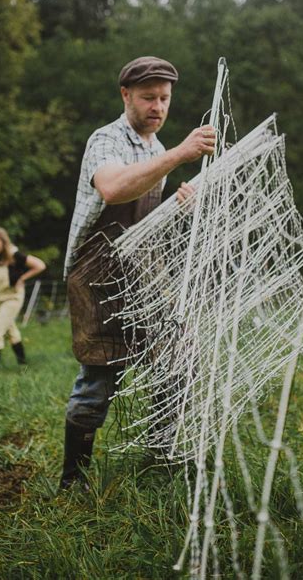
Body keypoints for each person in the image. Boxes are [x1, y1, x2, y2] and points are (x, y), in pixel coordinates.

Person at [60, 56, 215, 488]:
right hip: (98, 273)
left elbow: (143, 222)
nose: (158, 107)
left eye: (164, 98)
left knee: (179, 358)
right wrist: (183, 153)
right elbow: (113, 189)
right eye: (148, 97)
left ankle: (159, 455)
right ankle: (74, 480)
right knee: (100, 375)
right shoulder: (106, 140)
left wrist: (176, 205)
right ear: (126, 95)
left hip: (144, 271)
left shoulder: (156, 150)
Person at [0, 227, 46, 366]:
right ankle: (23, 363)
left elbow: (40, 265)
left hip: (12, 298)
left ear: (4, 242)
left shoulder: (15, 255)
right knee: (10, 330)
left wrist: (22, 278)